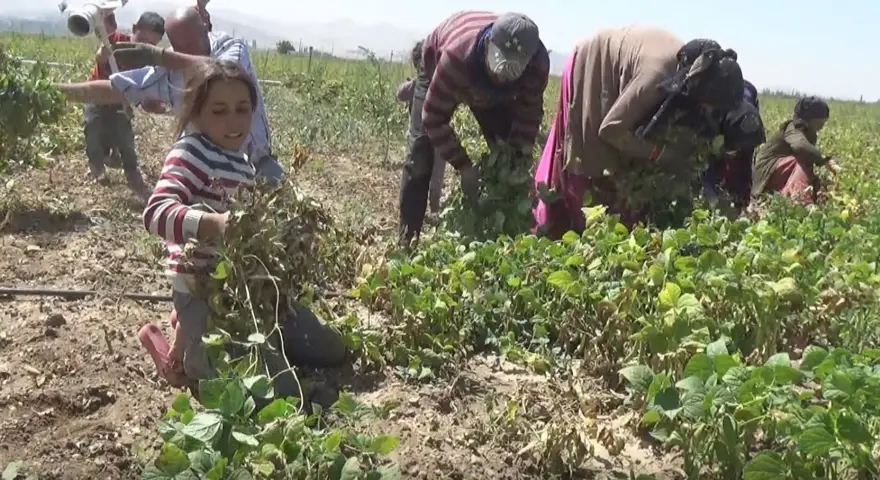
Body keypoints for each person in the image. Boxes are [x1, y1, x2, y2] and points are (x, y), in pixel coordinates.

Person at [138, 60, 348, 397]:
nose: (234, 122)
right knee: (275, 392)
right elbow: (156, 213)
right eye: (219, 111)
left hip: (246, 290)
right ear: (196, 113)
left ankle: (190, 333)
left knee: (331, 349)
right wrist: (214, 224)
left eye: (243, 109)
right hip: (202, 288)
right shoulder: (190, 152)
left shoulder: (243, 162)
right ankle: (196, 355)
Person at [532, 28, 745, 238]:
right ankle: (565, 227)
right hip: (594, 62)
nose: (708, 110)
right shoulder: (655, 78)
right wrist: (660, 154)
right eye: (708, 104)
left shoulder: (694, 69)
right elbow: (610, 129)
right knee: (591, 160)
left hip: (630, 66)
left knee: (631, 158)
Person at [54, 7, 284, 187]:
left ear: (205, 30)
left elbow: (222, 71)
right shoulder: (168, 69)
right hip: (206, 174)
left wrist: (160, 56)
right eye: (180, 47)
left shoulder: (230, 47)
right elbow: (116, 88)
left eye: (192, 43)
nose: (188, 52)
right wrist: (55, 91)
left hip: (257, 164)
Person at [399, 11, 550, 244]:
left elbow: (529, 114)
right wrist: (464, 166)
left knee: (506, 154)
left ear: (528, 61)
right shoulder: (457, 58)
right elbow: (434, 118)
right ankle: (407, 240)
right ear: (489, 43)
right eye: (499, 64)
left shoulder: (537, 65)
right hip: (439, 67)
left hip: (491, 94)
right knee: (420, 156)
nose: (501, 77)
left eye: (512, 70)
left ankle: (498, 233)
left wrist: (519, 154)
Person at [82, 12, 164, 196]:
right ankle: (97, 166)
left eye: (152, 45)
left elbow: (145, 91)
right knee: (92, 127)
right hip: (97, 95)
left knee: (125, 138)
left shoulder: (148, 61)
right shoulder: (116, 41)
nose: (145, 47)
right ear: (134, 29)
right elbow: (100, 58)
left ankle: (132, 171)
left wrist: (153, 105)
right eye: (143, 39)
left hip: (120, 102)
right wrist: (102, 54)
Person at [751, 96, 841, 204]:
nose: (821, 127)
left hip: (779, 172)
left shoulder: (810, 134)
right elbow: (800, 146)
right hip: (767, 170)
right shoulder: (792, 128)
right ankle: (798, 200)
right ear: (810, 119)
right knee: (801, 159)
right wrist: (823, 160)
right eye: (820, 123)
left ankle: (794, 195)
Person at [396, 40, 446, 214]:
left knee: (419, 174)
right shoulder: (435, 84)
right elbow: (401, 94)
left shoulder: (421, 84)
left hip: (424, 139)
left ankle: (427, 209)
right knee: (435, 176)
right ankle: (432, 208)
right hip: (437, 140)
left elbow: (401, 94)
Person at [701, 80, 765, 211]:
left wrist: (744, 200)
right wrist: (711, 195)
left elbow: (746, 164)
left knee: (741, 168)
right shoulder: (715, 113)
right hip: (723, 127)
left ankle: (740, 200)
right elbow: (707, 163)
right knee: (713, 163)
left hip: (741, 128)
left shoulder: (749, 126)